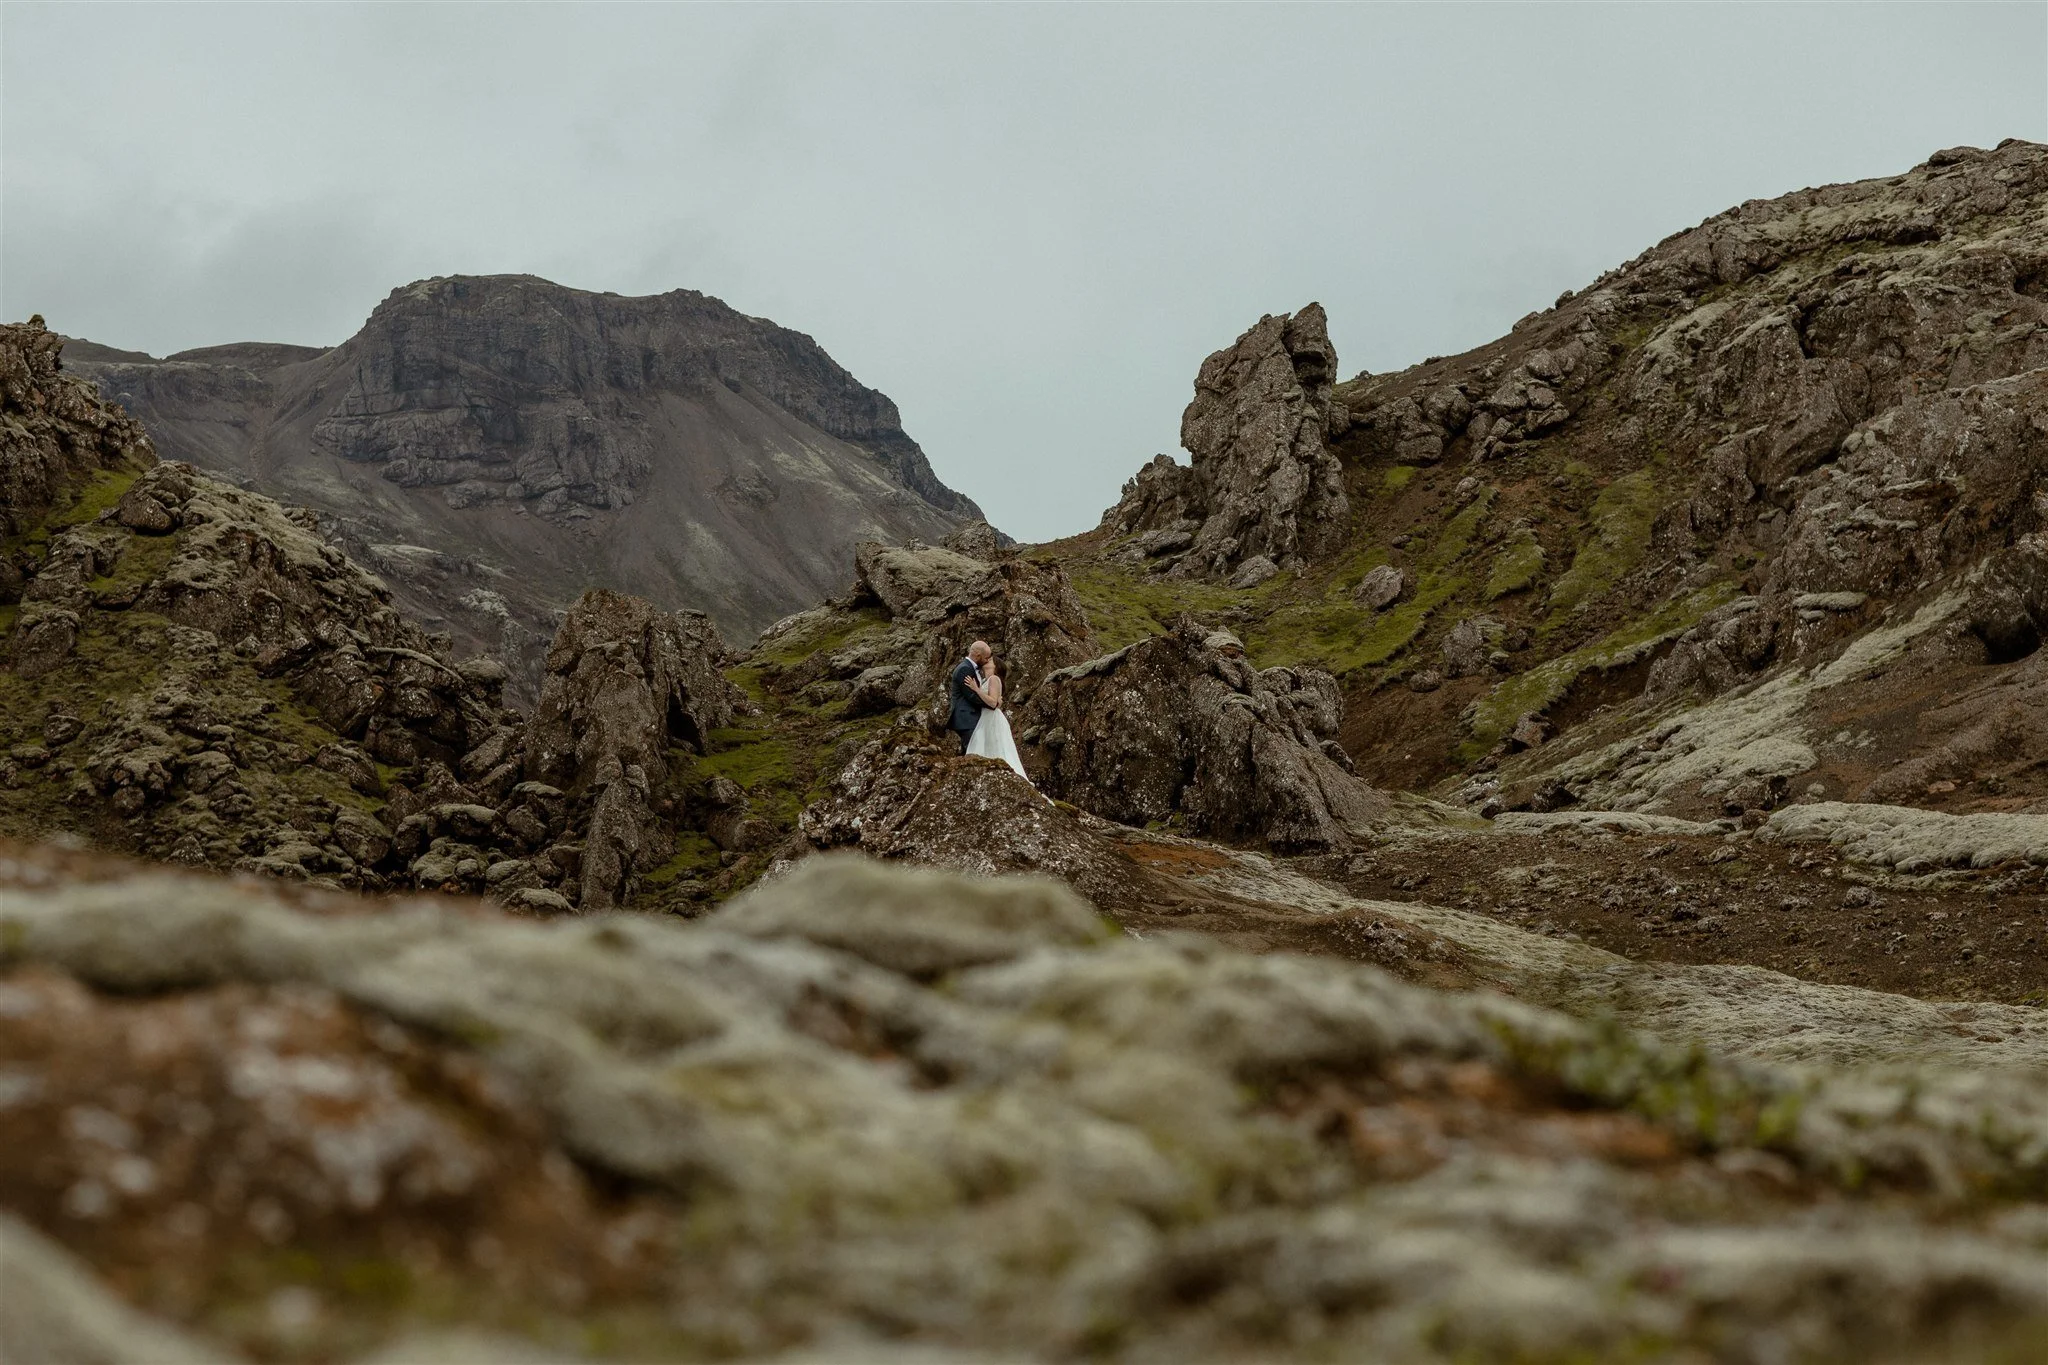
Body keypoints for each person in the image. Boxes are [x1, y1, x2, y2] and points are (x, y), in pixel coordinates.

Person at [962, 649, 1029, 780]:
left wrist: (976, 689)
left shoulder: (993, 678)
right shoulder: (986, 680)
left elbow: (993, 703)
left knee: (995, 746)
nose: (987, 661)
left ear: (996, 667)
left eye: (990, 660)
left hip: (991, 718)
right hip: (986, 717)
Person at [948, 641, 992, 753]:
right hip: (967, 718)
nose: (987, 661)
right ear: (978, 656)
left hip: (969, 717)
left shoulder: (969, 668)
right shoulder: (965, 669)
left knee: (971, 751)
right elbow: (971, 695)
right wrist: (992, 704)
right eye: (986, 658)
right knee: (973, 752)